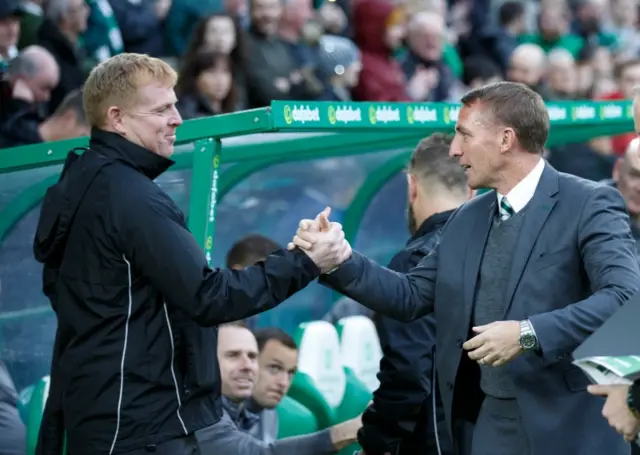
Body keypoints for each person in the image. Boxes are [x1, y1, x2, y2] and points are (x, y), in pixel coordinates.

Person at [290, 81, 640, 455]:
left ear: (506, 140)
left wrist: (527, 333)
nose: (455, 151)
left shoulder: (588, 202)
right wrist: (337, 258)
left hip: (572, 430)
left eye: (464, 135)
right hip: (490, 427)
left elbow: (625, 296)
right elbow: (409, 295)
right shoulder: (466, 218)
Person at [32, 52, 351, 455]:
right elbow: (209, 296)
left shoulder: (83, 183)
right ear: (117, 118)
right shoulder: (131, 198)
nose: (177, 119)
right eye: (162, 109)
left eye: (176, 105)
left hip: (105, 417)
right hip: (138, 427)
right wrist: (307, 261)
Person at [357, 133, 471, 455]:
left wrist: (376, 442)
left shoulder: (414, 263)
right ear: (471, 188)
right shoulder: (502, 249)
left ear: (412, 187)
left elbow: (409, 371)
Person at [202, 322, 361, 455]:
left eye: (252, 357)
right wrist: (346, 432)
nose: (247, 366)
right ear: (205, 361)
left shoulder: (254, 414)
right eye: (233, 355)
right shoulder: (197, 413)